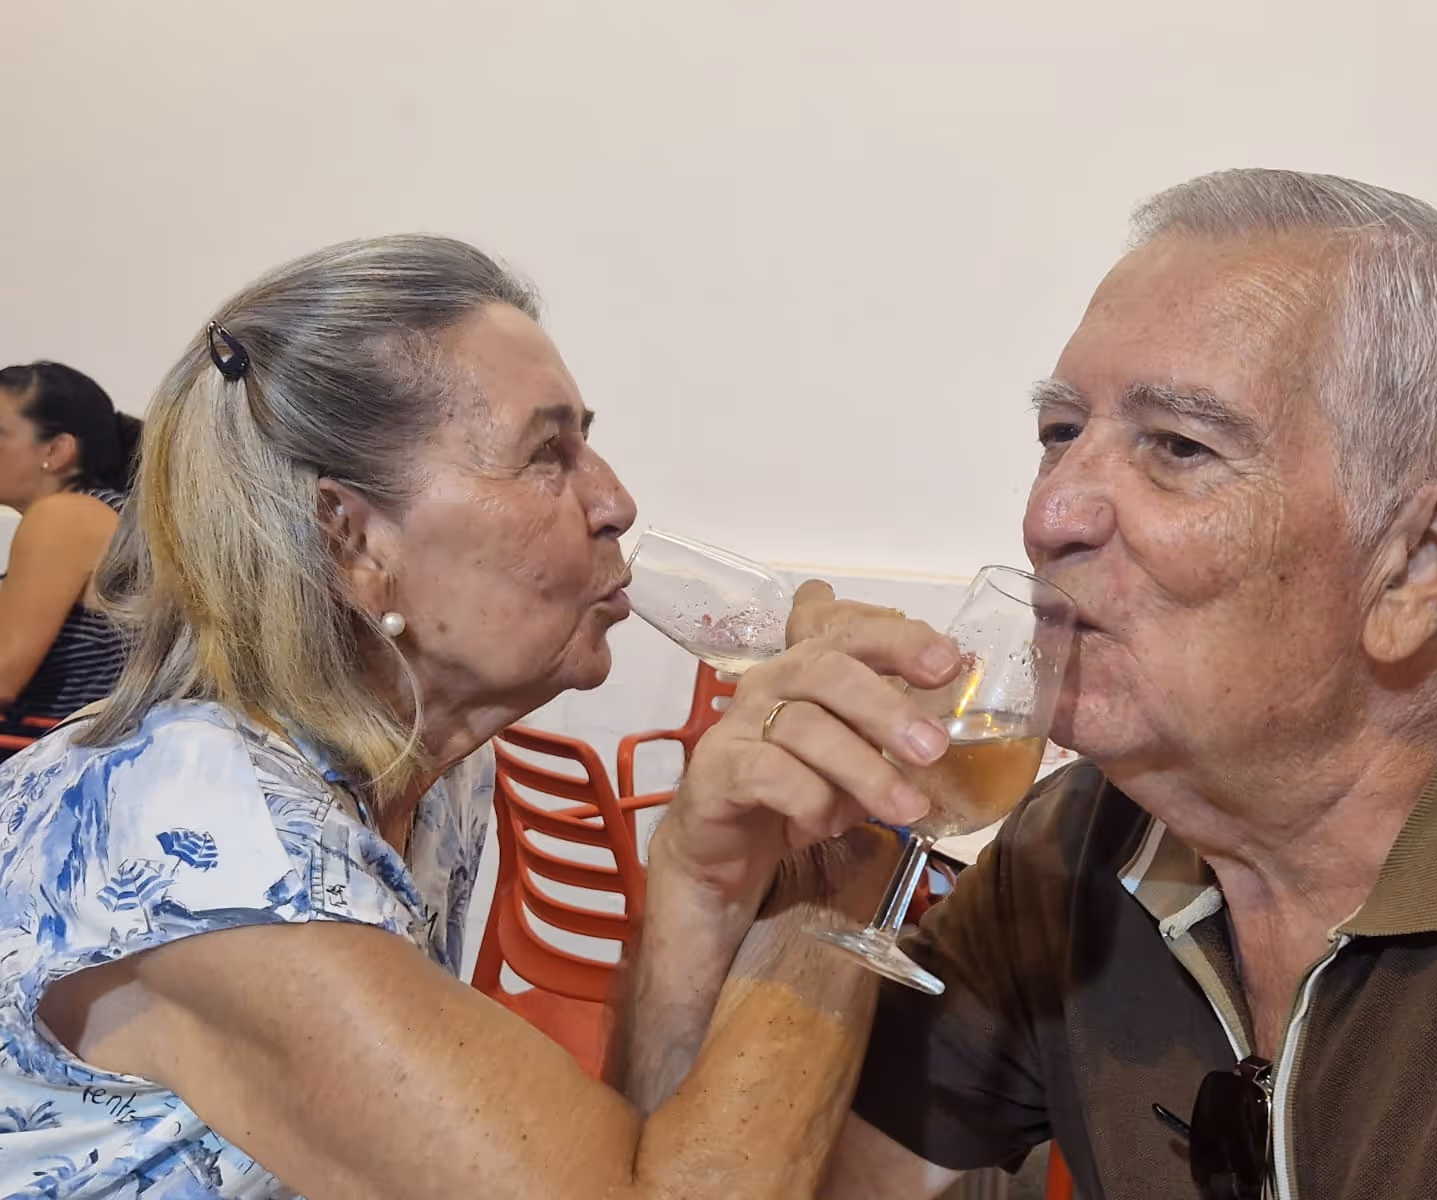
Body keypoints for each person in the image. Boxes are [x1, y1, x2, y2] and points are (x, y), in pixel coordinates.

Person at [644, 170, 1437, 1200]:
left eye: (1179, 446)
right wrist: (725, 900)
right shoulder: (1073, 850)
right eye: (1060, 434)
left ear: (1423, 563)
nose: (1050, 512)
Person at [0, 235, 965, 1198]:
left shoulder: (431, 765)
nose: (617, 500)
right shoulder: (210, 842)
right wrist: (847, 860)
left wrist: (695, 875)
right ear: (352, 539)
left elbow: (632, 1156)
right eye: (548, 453)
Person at [0, 362, 140, 753]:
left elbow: (3, 677)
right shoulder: (103, 513)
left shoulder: (63, 516)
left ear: (56, 450)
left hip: (61, 771)